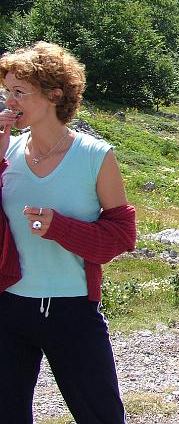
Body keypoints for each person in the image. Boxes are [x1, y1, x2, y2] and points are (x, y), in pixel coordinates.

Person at [0, 41, 136, 423]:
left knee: (101, 416)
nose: (9, 101)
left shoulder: (95, 156)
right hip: (8, 308)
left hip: (72, 309)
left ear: (54, 94)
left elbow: (122, 236)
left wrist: (61, 229)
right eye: (7, 91)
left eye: (19, 91)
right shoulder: (7, 151)